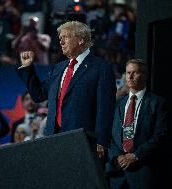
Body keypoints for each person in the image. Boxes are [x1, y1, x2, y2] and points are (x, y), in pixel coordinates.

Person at [17, 21, 116, 158]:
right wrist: (28, 68)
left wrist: (102, 140)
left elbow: (105, 108)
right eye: (60, 38)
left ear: (81, 39)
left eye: (66, 37)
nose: (61, 42)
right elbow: (39, 95)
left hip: (83, 140)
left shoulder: (100, 68)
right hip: (53, 139)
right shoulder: (59, 68)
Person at [106, 59, 168, 189]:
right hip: (117, 174)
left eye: (135, 73)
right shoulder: (118, 104)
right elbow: (110, 137)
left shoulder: (157, 103)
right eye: (128, 73)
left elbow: (160, 135)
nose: (130, 76)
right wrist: (118, 157)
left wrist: (136, 155)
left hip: (143, 172)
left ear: (145, 76)